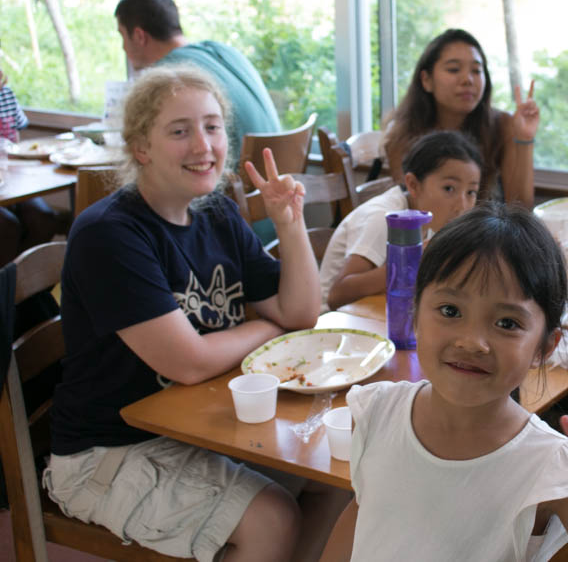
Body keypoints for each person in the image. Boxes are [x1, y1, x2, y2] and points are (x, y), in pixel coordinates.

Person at [43, 65, 328, 561]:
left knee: (332, 480)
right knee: (273, 520)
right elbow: (188, 362)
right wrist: (264, 327)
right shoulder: (111, 234)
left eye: (213, 126)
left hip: (191, 427)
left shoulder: (215, 212)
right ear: (141, 147)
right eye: (180, 131)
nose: (203, 146)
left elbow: (301, 312)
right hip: (108, 452)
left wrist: (290, 222)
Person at [318, 202, 568, 562]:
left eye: (507, 323)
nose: (472, 342)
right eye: (450, 311)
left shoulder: (552, 463)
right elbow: (363, 513)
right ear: (415, 316)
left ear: (544, 347)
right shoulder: (375, 411)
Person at [320, 130, 482, 311]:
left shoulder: (427, 217)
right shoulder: (384, 219)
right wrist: (408, 263)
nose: (462, 205)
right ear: (413, 184)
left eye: (471, 192)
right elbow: (337, 295)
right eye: (449, 188)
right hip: (331, 324)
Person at [114, 0, 281, 162]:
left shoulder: (170, 79)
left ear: (140, 36)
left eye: (122, 36)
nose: (123, 47)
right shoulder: (220, 50)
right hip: (276, 172)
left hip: (233, 180)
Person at [384, 29, 540, 208]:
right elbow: (411, 209)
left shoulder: (503, 125)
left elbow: (521, 208)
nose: (467, 79)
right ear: (426, 79)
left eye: (476, 70)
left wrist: (524, 138)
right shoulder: (402, 134)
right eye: (453, 69)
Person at [0, 62, 60, 265]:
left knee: (43, 219)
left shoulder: (5, 95)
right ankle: (8, 291)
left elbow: (16, 139)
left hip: (10, 180)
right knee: (6, 227)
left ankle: (26, 290)